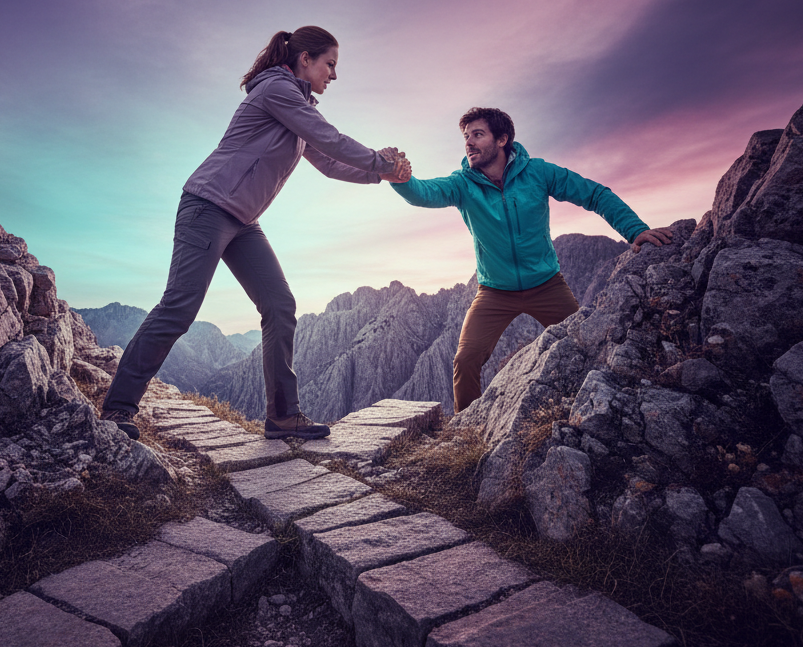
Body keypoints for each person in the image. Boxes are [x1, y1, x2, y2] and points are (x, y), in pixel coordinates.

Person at [101, 26, 409, 440]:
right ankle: (118, 408)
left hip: (243, 220)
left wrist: (382, 175)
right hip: (208, 206)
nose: (333, 75)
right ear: (305, 60)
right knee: (179, 307)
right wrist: (380, 159)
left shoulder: (297, 105)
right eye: (330, 65)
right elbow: (330, 138)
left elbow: (330, 161)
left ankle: (283, 416)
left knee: (280, 305)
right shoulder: (278, 90)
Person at [388, 107, 672, 414]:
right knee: (466, 359)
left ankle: (585, 414)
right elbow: (424, 193)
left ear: (502, 140)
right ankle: (463, 430)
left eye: (477, 135)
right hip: (494, 293)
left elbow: (594, 194)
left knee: (582, 348)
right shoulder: (462, 184)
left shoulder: (538, 172)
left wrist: (636, 231)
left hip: (548, 286)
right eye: (466, 136)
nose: (469, 142)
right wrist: (399, 179)